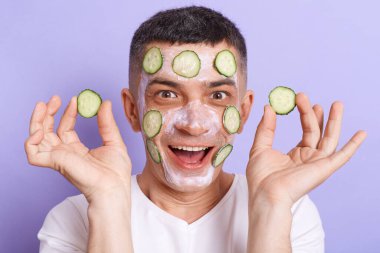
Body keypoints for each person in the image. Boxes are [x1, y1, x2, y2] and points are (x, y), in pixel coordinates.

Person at [24, 6, 366, 253]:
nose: (194, 123)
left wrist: (272, 207)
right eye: (168, 94)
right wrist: (108, 201)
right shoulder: (75, 217)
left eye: (218, 95)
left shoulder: (290, 209)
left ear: (243, 111)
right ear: (132, 110)